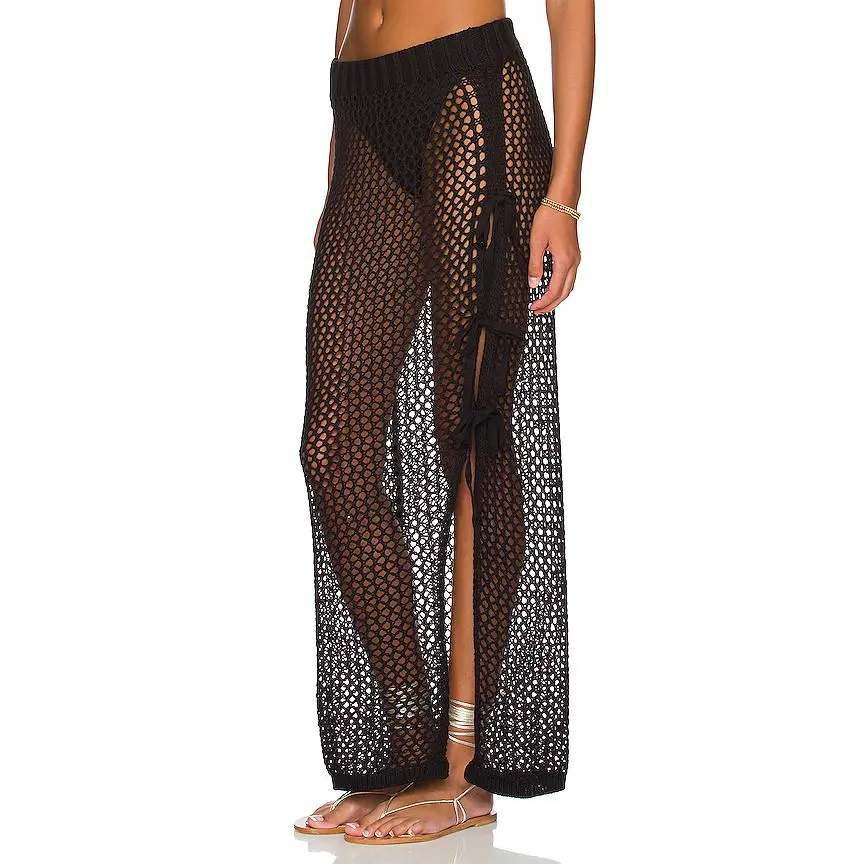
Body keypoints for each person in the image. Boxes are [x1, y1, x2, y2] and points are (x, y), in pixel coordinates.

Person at [296, 0, 594, 845]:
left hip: (468, 94)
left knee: (469, 438)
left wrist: (564, 195)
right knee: (334, 450)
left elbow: (571, 8)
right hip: (363, 103)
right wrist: (339, 139)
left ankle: (464, 770)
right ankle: (404, 749)